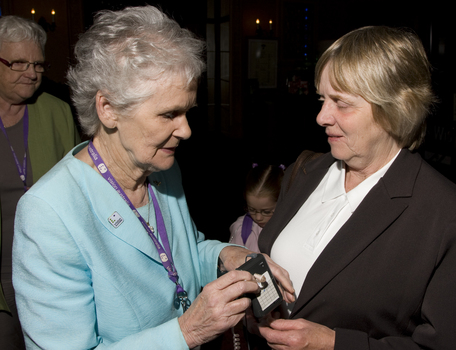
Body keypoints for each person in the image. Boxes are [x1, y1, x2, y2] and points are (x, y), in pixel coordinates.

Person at [12, 6, 294, 349]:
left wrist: (227, 256)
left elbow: (181, 257)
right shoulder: (48, 213)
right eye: (168, 114)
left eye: (187, 112)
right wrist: (187, 332)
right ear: (108, 109)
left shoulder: (161, 168)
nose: (186, 130)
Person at [256, 26, 456, 349]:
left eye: (341, 103)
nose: (321, 116)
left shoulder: (448, 214)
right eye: (322, 99)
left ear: (395, 108)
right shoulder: (306, 170)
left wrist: (333, 344)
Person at [0, 15, 80, 349]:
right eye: (18, 63)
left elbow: (80, 187)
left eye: (37, 64)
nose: (31, 73)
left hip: (49, 269)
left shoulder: (57, 111)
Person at [229, 163, 285, 253]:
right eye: (252, 209)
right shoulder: (241, 229)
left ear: (282, 203)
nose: (258, 217)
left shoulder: (290, 229)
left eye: (266, 212)